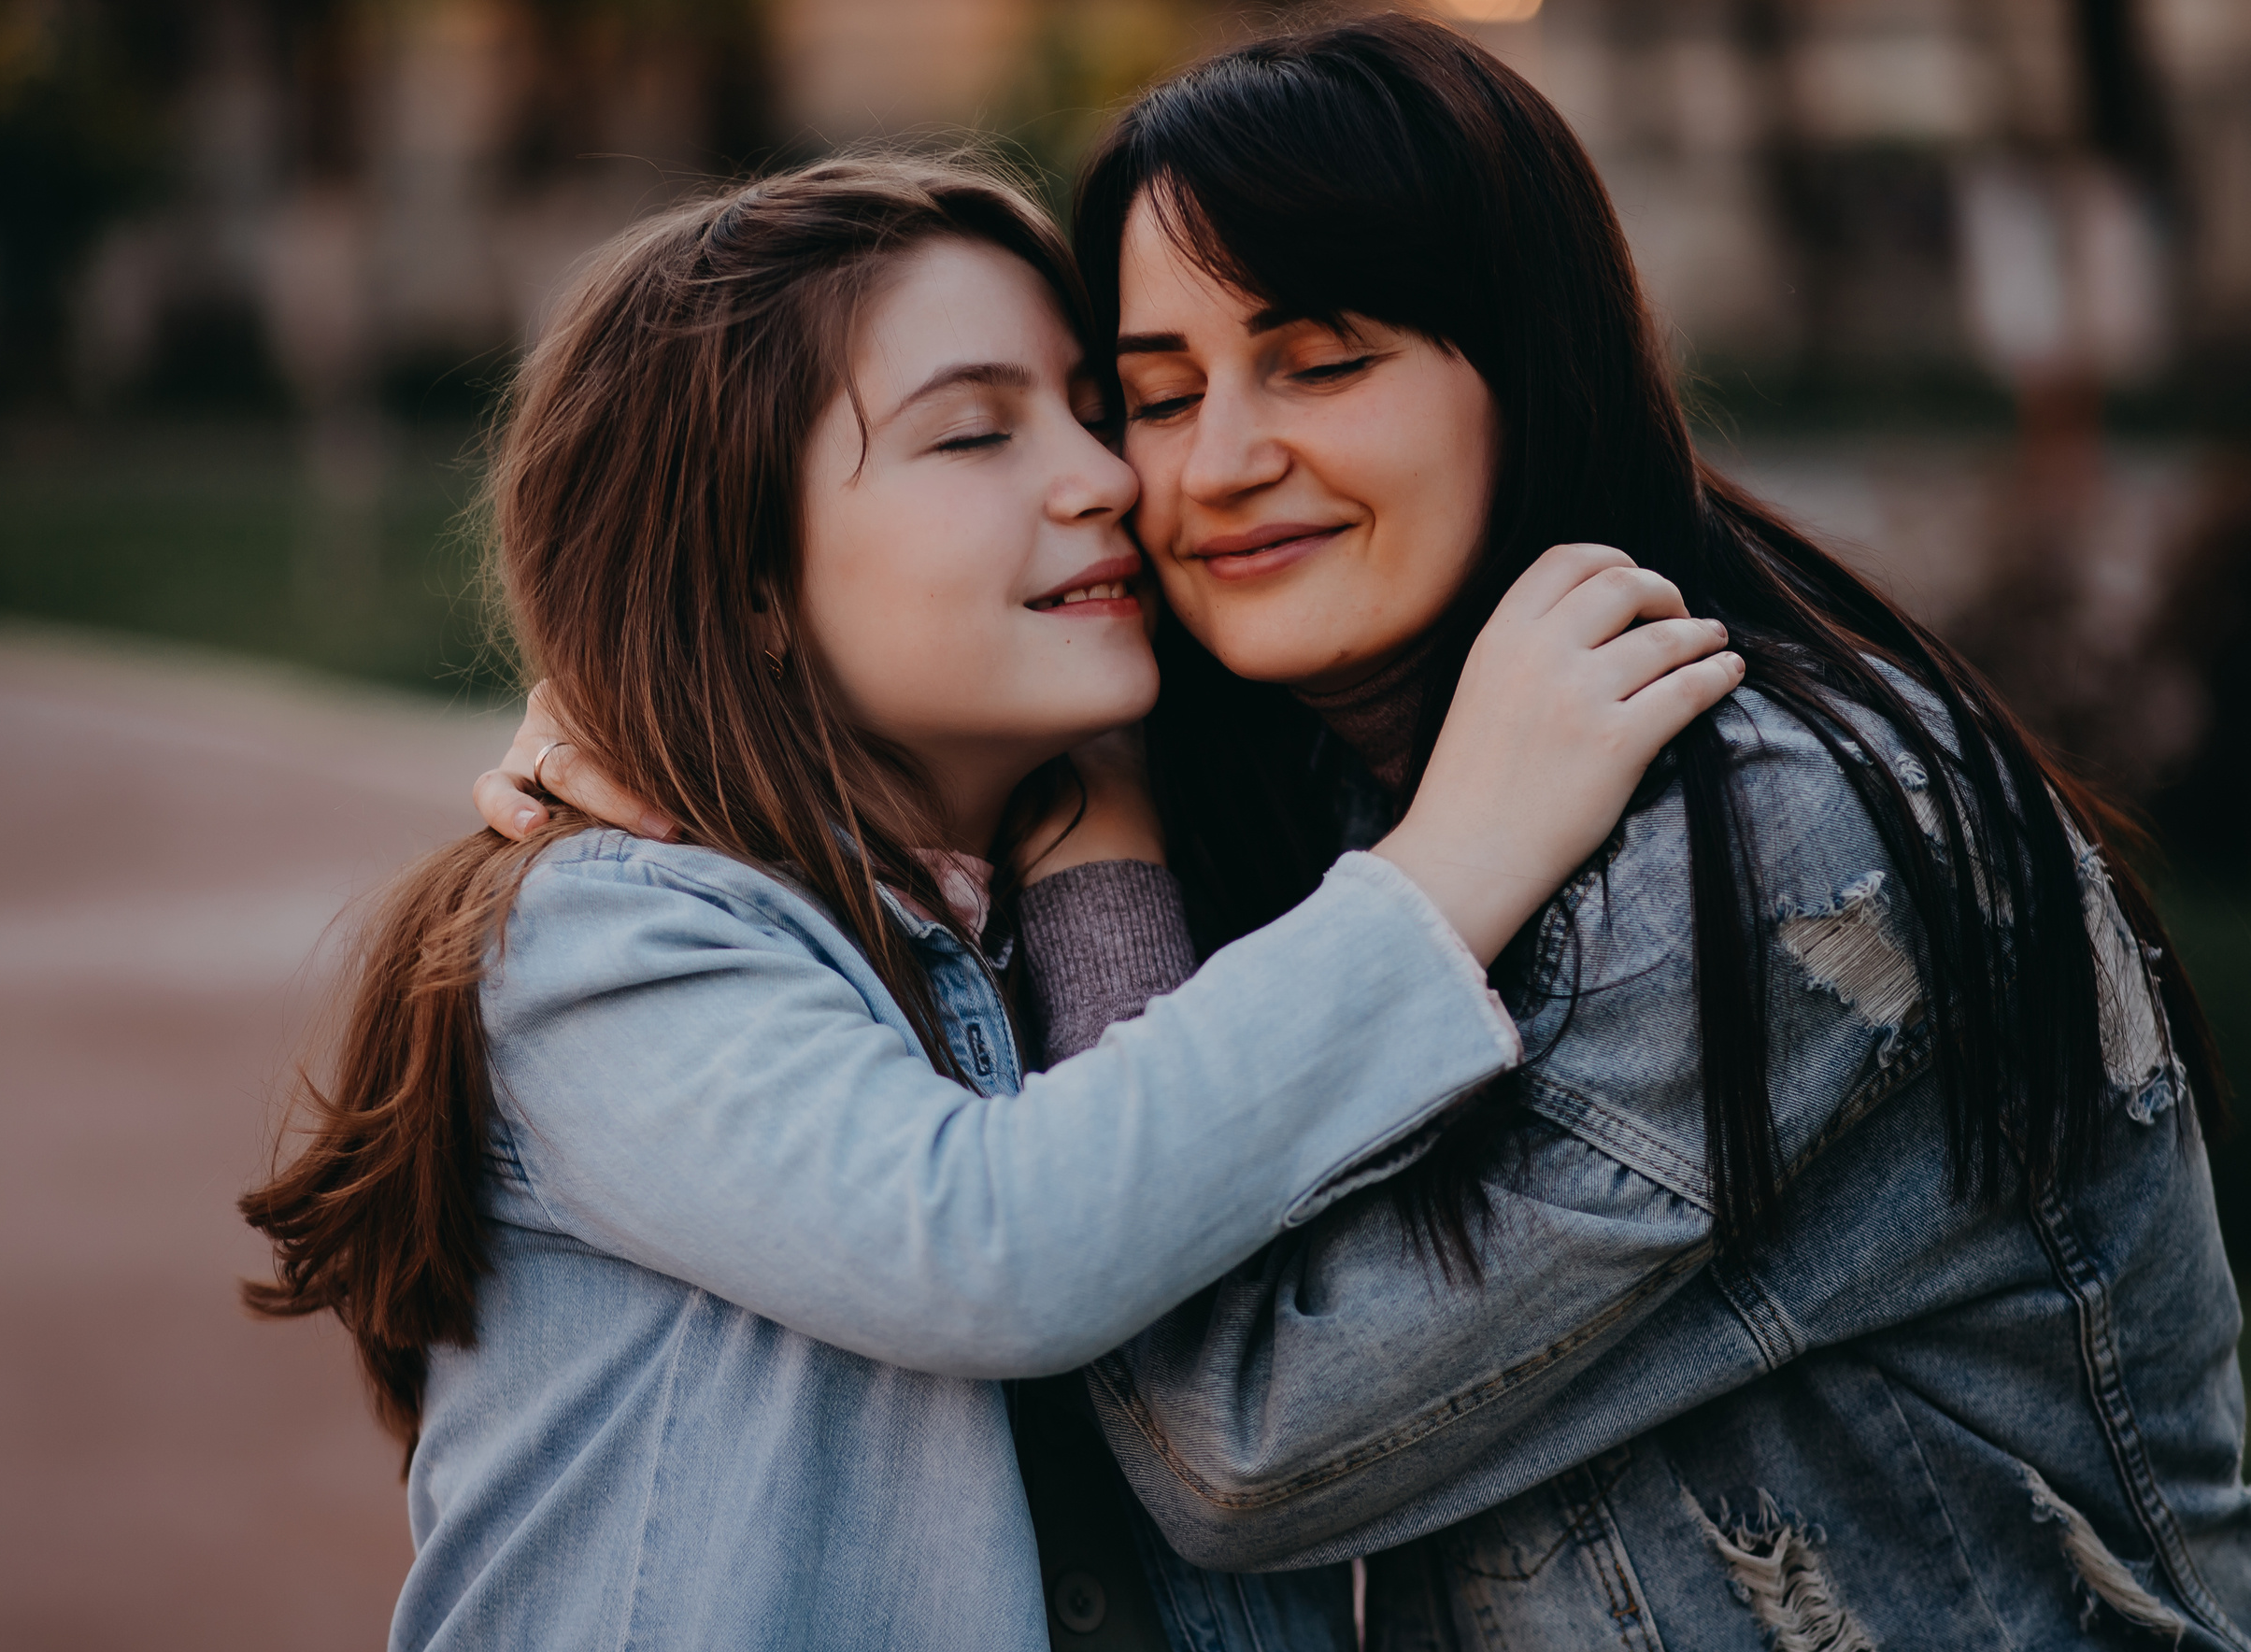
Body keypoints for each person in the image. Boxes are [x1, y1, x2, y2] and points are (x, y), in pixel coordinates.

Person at [486, 17, 2249, 1649]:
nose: (1191, 465)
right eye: (1157, 393)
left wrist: (1108, 868)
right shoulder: (1313, 773)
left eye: (1321, 362)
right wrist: (649, 698)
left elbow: (1238, 1442)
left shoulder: (1786, 836)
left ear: (1525, 364)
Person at [245, 153, 1738, 1650]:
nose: (1103, 476)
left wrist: (1113, 842)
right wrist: (1457, 858)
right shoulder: (613, 942)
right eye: (973, 434)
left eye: (1100, 412)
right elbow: (991, 1244)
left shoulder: (1133, 881)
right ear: (746, 577)